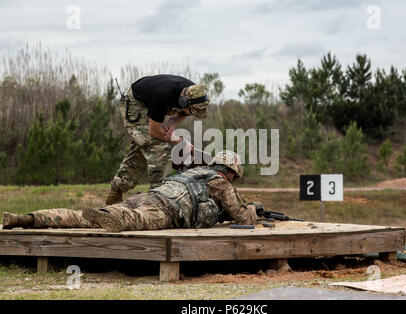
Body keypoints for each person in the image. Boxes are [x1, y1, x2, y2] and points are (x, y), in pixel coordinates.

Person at [2, 151, 262, 233]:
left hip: (148, 196)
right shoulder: (222, 183)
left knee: (83, 216)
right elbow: (244, 219)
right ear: (232, 172)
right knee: (135, 220)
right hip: (165, 210)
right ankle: (120, 220)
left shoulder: (195, 172)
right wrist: (254, 208)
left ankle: (27, 218)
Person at [106, 74, 210, 206]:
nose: (191, 115)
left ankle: (116, 192)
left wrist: (172, 124)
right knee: (157, 146)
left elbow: (184, 112)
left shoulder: (194, 92)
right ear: (184, 102)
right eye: (192, 111)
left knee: (142, 149)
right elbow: (153, 131)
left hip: (152, 103)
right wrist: (181, 142)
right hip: (135, 104)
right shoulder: (162, 95)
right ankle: (158, 198)